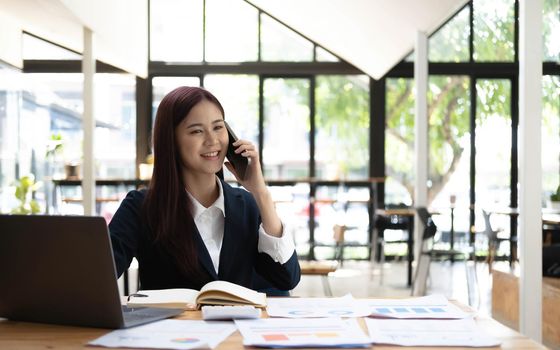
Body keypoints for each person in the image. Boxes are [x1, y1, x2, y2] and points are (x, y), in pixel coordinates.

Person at [109, 86, 301, 292]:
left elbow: (287, 279)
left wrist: (260, 193)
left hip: (238, 324)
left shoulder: (248, 205)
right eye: (197, 131)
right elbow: (99, 274)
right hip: (173, 325)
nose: (212, 140)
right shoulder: (141, 207)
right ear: (171, 140)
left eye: (218, 127)